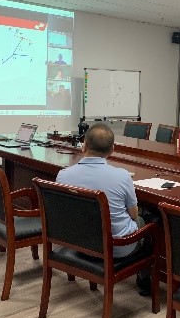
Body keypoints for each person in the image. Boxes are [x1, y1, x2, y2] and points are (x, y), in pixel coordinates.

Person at [55, 123, 151, 294]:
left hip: (78, 242)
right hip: (116, 249)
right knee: (147, 221)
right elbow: (134, 215)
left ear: (84, 145)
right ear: (112, 150)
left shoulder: (63, 175)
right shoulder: (122, 176)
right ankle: (145, 281)